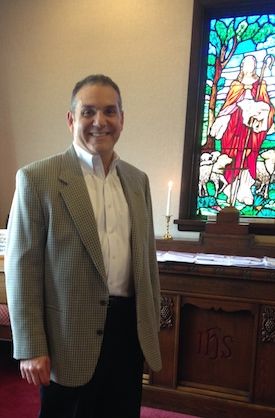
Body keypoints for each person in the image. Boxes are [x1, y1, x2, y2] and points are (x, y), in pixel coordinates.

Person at [5, 74, 162, 418]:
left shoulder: (137, 182)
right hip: (67, 337)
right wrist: (31, 346)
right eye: (88, 111)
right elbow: (22, 269)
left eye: (109, 111)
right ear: (71, 119)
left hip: (127, 332)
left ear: (122, 118)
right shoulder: (37, 179)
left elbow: (146, 264)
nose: (99, 122)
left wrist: (149, 329)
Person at [210, 54, 274, 205]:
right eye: (246, 63)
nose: (248, 66)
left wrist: (259, 110)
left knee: (248, 154)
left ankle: (245, 188)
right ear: (242, 66)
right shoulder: (235, 85)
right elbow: (227, 106)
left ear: (255, 67)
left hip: (251, 128)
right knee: (232, 155)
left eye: (252, 64)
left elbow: (268, 107)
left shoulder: (261, 85)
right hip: (235, 126)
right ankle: (229, 188)